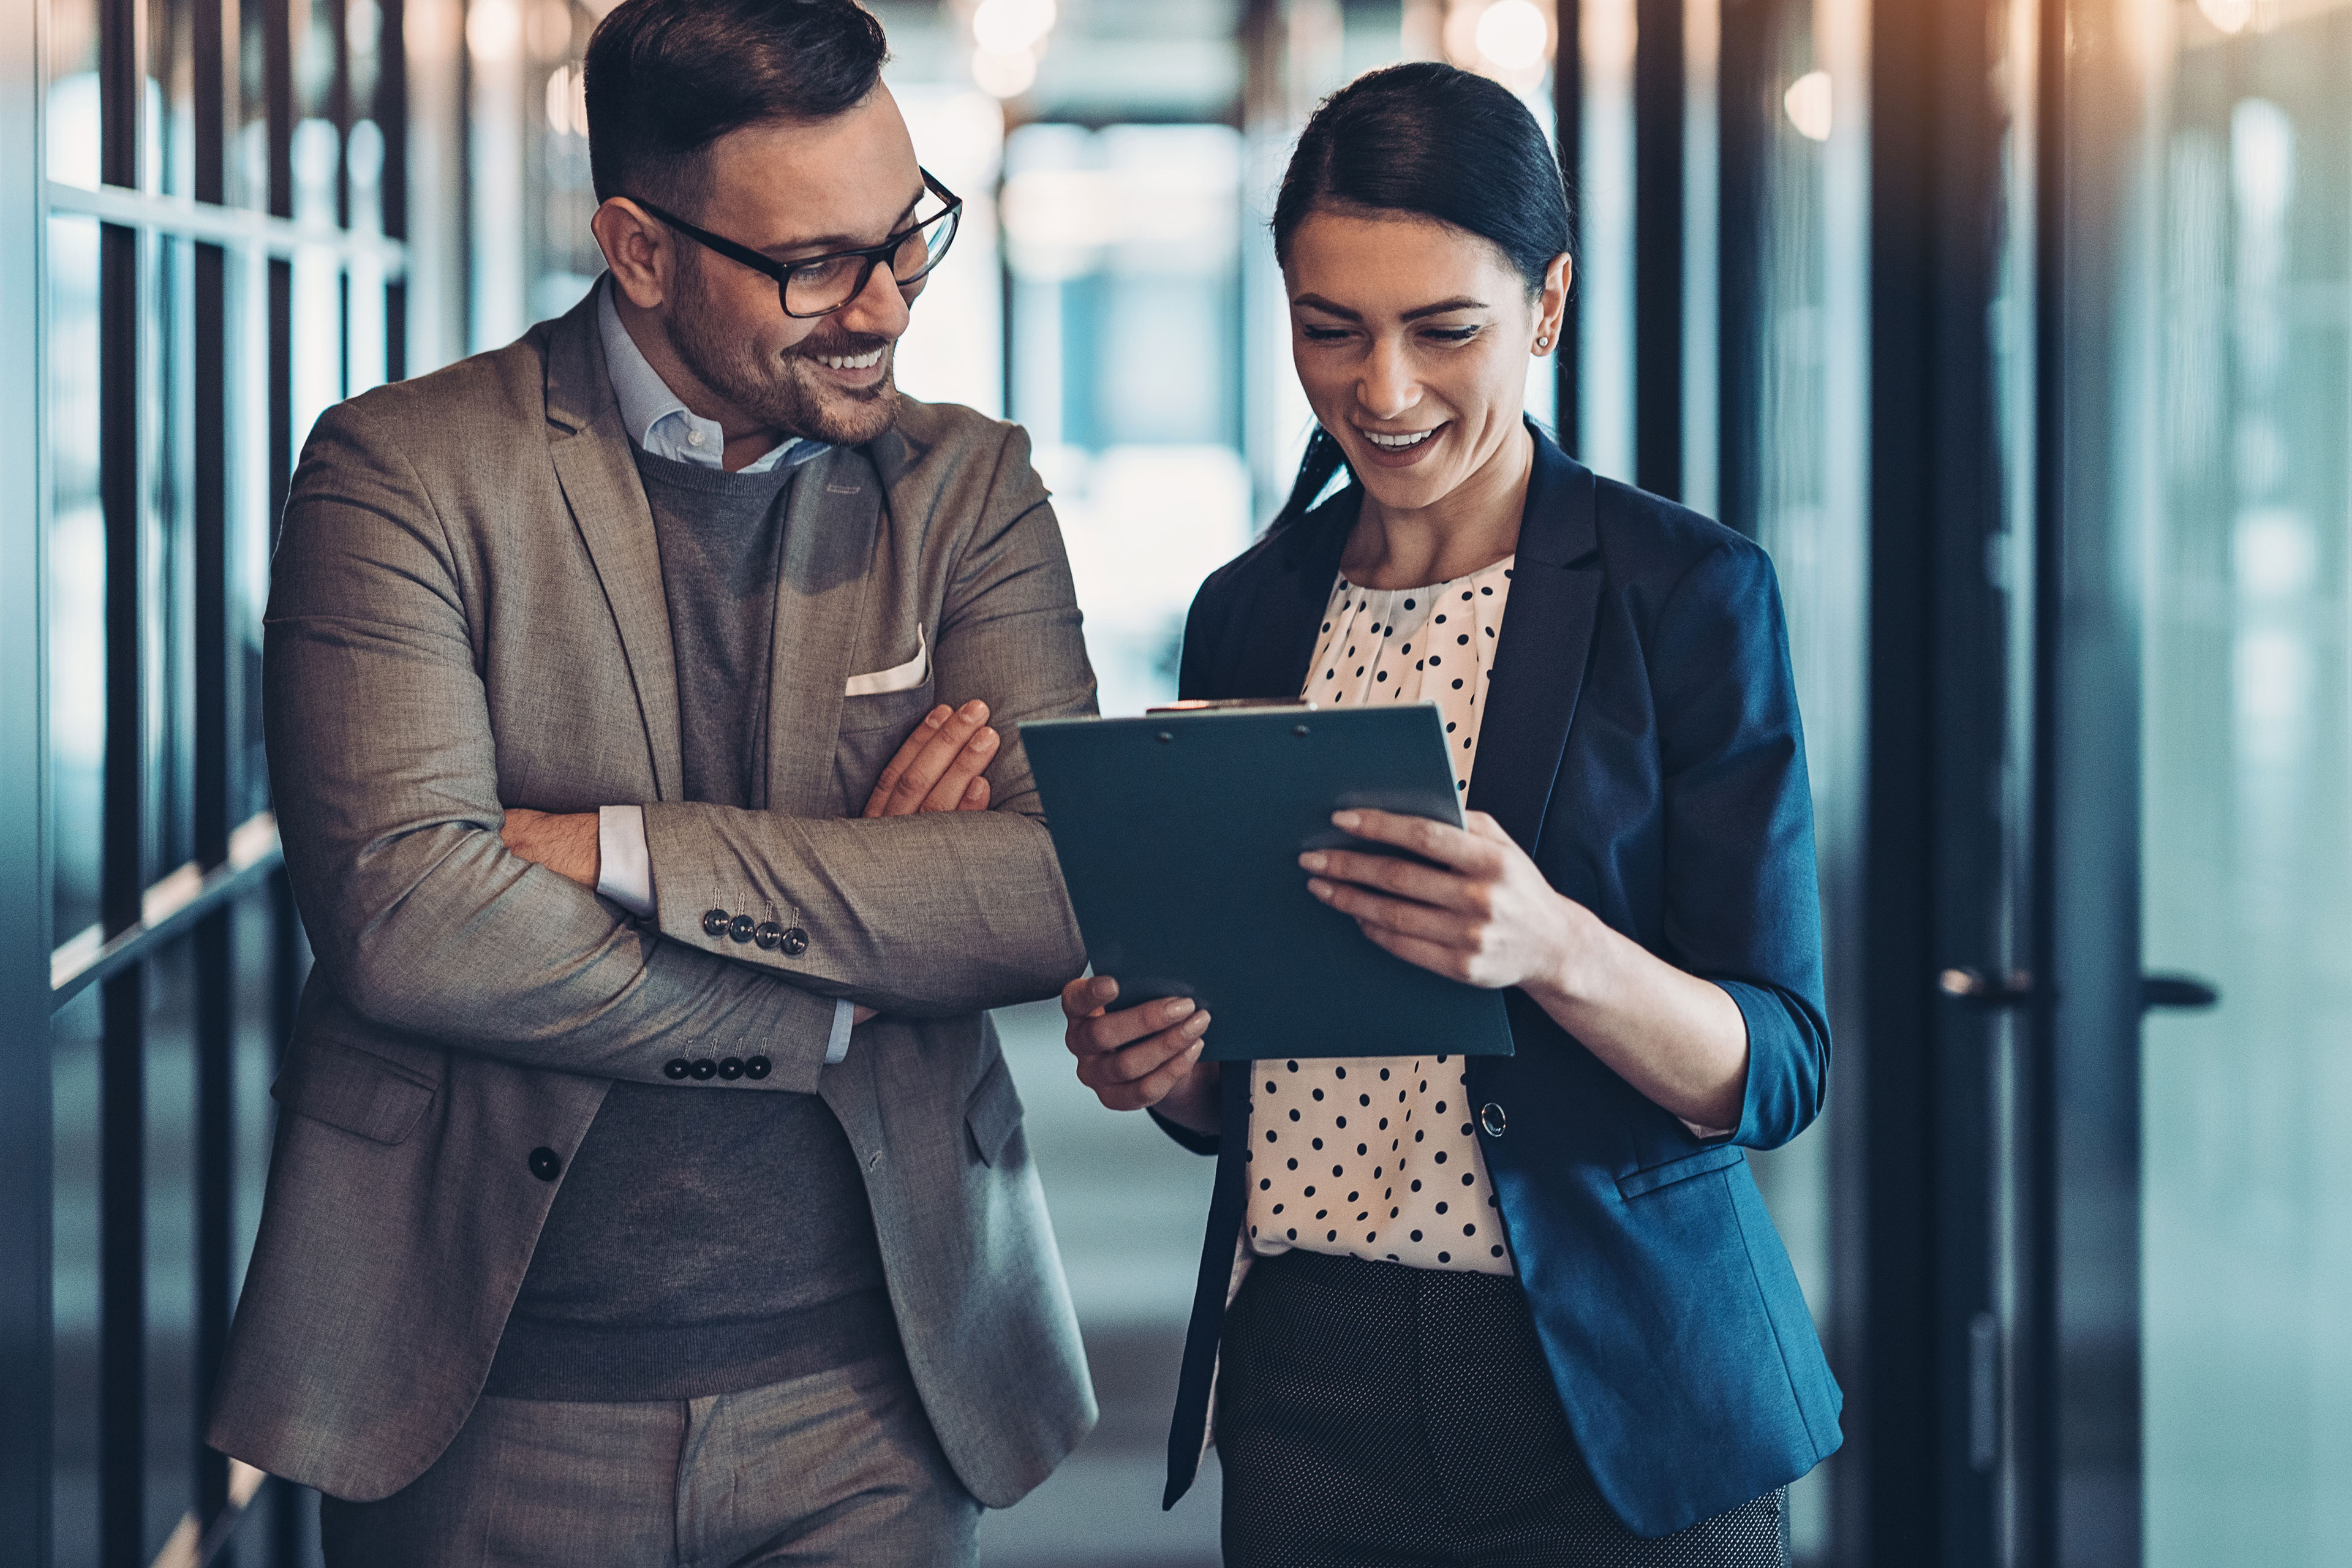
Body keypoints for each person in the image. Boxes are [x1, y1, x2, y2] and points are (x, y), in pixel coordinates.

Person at [206, 0, 1098, 1560]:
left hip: (877, 1396)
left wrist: (620, 850)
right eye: (815, 263)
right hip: (491, 1393)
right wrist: (838, 981)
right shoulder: (401, 471)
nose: (882, 305)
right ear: (639, 248)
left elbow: (1046, 893)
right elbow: (414, 919)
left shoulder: (970, 489)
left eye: (906, 238)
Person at [1062, 62, 1840, 1566]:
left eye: (1447, 329)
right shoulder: (1247, 613)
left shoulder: (1685, 592)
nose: (1386, 389)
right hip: (1311, 1374)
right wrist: (1160, 1064)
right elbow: (1239, 1077)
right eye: (1330, 329)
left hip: (1623, 1384)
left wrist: (1554, 945)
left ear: (1546, 306)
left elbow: (1781, 1063)